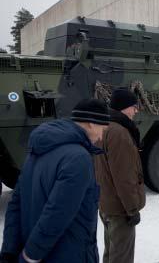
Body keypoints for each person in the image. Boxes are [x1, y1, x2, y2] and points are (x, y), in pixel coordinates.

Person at [0, 99, 109, 263]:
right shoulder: (79, 158)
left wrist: (9, 251)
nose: (101, 137)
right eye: (102, 129)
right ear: (91, 123)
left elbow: (16, 203)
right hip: (68, 255)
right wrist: (30, 256)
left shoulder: (37, 151)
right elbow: (57, 214)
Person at [94, 88, 145, 263]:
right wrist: (132, 209)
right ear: (124, 107)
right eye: (133, 106)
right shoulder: (119, 133)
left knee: (110, 253)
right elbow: (124, 177)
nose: (136, 110)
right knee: (121, 257)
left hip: (106, 203)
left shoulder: (104, 127)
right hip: (120, 208)